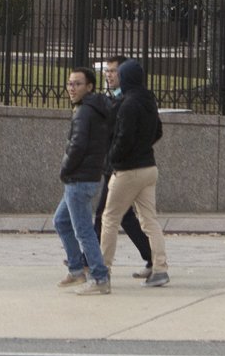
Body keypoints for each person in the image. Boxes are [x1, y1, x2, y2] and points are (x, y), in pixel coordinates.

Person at [98, 58, 170, 287]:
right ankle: (160, 268)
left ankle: (103, 271)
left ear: (126, 78)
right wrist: (143, 146)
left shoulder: (127, 104)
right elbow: (158, 130)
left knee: (109, 218)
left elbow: (123, 138)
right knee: (150, 220)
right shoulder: (148, 100)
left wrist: (113, 159)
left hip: (128, 170)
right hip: (149, 167)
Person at [50, 66, 115, 295]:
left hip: (78, 178)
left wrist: (65, 170)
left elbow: (77, 146)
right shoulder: (94, 108)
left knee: (84, 231)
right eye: (69, 83)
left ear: (89, 87)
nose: (71, 88)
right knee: (61, 221)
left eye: (77, 84)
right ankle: (77, 269)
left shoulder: (85, 111)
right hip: (87, 177)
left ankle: (99, 277)